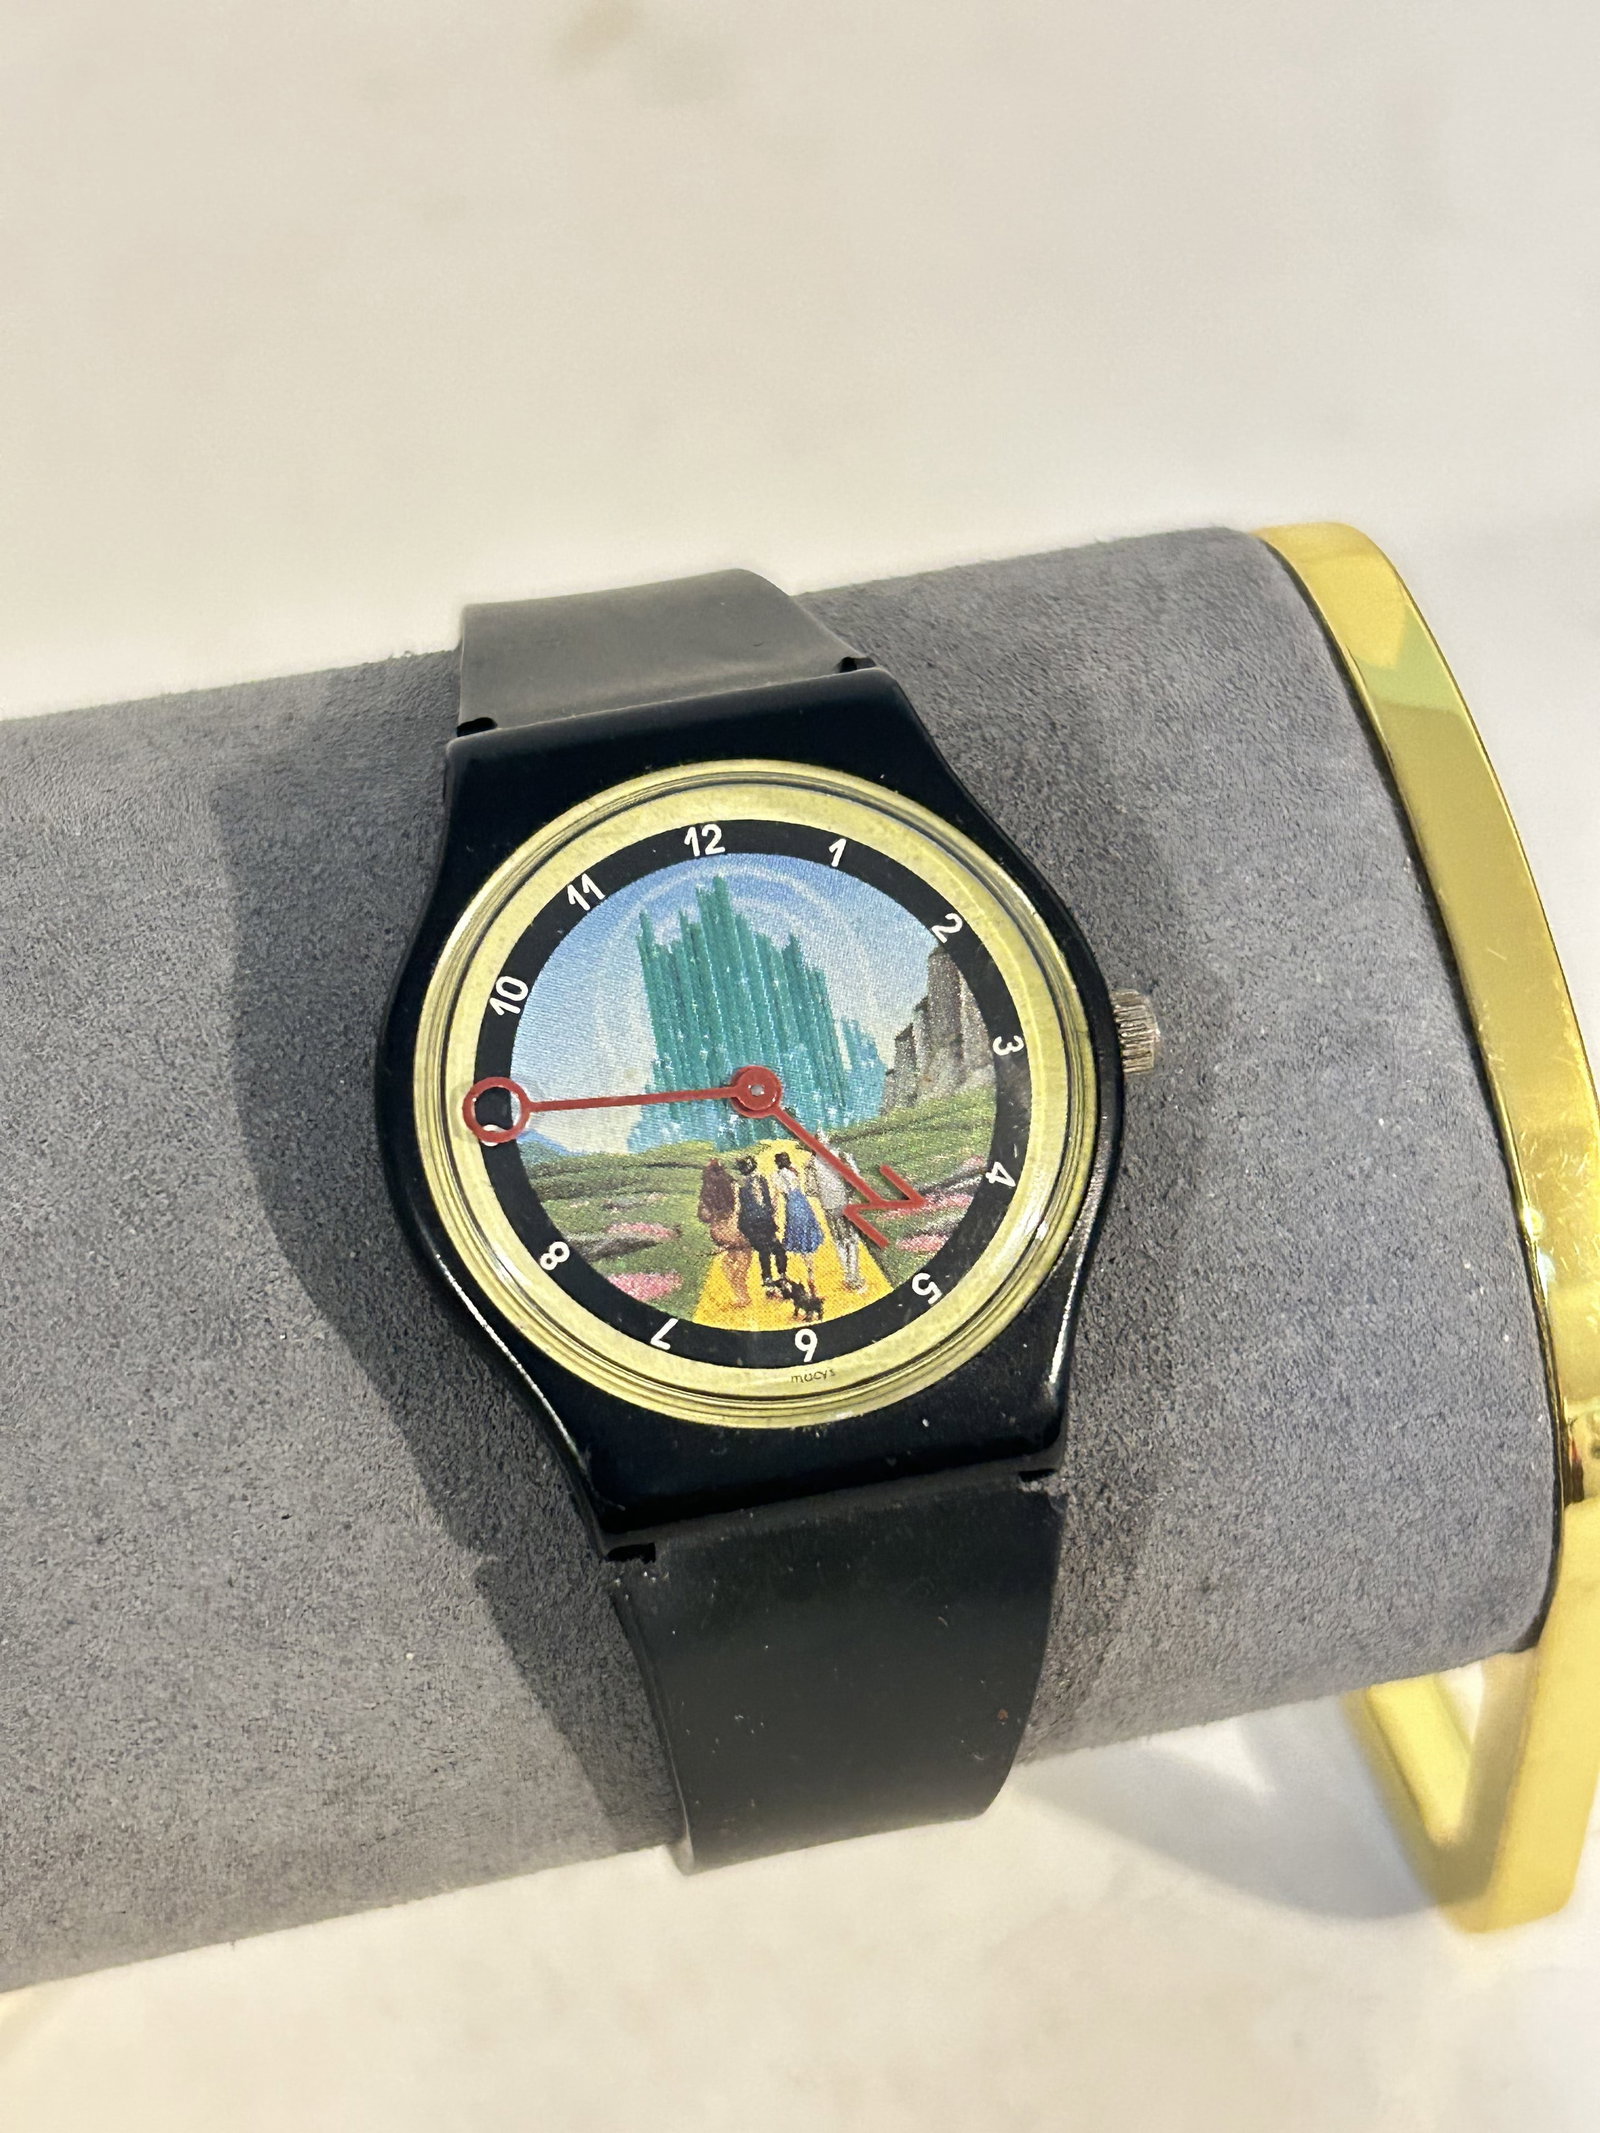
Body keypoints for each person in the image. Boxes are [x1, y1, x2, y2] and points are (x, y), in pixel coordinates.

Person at [809, 1139, 866, 1291]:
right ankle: (854, 1276)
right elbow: (856, 1177)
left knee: (839, 1240)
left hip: (827, 1205)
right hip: (842, 1202)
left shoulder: (812, 1162)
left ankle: (847, 1275)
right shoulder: (838, 1155)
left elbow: (810, 1189)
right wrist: (851, 1162)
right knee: (852, 1239)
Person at [696, 1157, 751, 1307]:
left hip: (719, 1229)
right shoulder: (732, 1184)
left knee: (728, 1262)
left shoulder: (707, 1191)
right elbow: (741, 1205)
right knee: (743, 1258)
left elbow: (703, 1215)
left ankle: (740, 1294)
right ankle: (743, 1294)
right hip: (735, 1226)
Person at [772, 1149, 825, 1305]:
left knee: (797, 1239)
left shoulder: (777, 1176)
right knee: (807, 1243)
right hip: (802, 1204)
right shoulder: (793, 1171)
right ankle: (811, 1279)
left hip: (792, 1206)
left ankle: (797, 1281)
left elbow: (778, 1195)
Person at [734, 1155, 786, 1292]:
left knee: (775, 1248)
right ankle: (770, 1278)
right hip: (754, 1223)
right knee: (767, 1248)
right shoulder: (742, 1184)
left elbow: (769, 1201)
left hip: (763, 1221)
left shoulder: (759, 1180)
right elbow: (738, 1208)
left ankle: (779, 1276)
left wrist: (772, 1213)